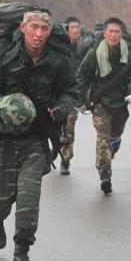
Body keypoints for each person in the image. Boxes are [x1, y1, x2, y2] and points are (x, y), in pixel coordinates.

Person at [0, 10, 77, 261]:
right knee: (1, 198)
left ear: (50, 31)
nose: (39, 34)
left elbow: (70, 91)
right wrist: (5, 105)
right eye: (34, 27)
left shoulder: (58, 60)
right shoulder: (6, 57)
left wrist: (61, 107)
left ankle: (22, 251)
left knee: (29, 196)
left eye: (44, 29)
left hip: (35, 138)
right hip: (4, 138)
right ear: (23, 27)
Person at [76, 17, 131, 194]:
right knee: (102, 137)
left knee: (115, 135)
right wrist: (81, 100)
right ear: (104, 33)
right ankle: (105, 173)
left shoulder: (128, 54)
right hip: (101, 102)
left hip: (121, 102)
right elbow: (82, 76)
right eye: (110, 31)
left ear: (122, 34)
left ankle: (114, 146)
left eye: (117, 31)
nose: (113, 34)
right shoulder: (95, 53)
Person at [59, 16, 93, 175]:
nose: (74, 30)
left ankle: (65, 160)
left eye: (77, 28)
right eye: (71, 27)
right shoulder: (59, 47)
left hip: (73, 95)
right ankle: (55, 147)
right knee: (55, 126)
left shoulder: (84, 48)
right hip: (56, 94)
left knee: (69, 126)